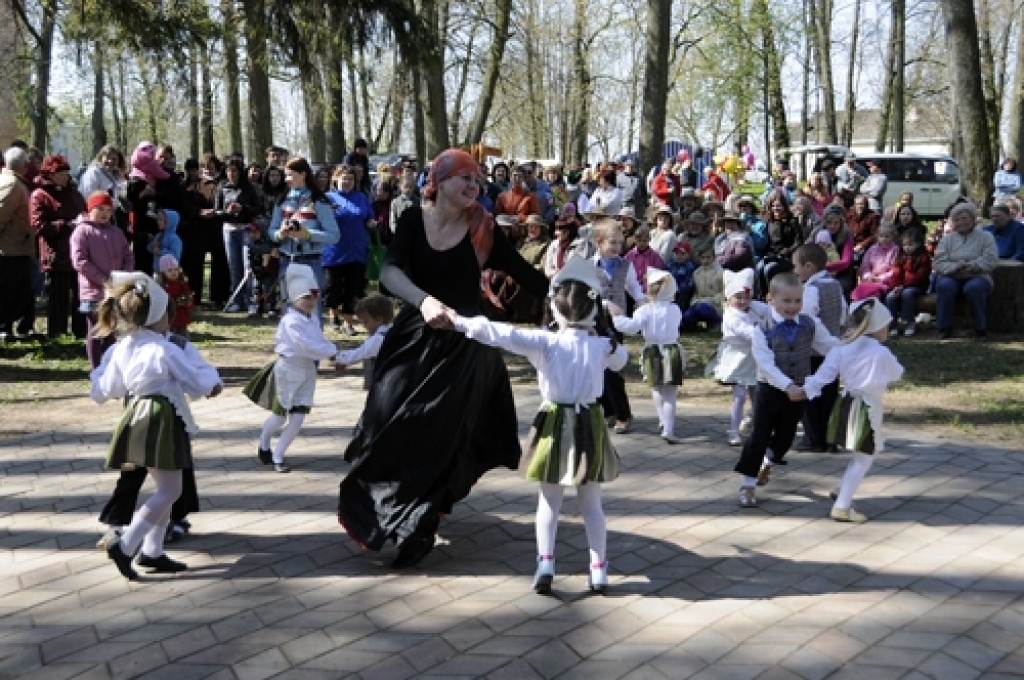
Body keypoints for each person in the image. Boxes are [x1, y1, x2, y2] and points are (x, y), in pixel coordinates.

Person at [337, 149, 550, 569]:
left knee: (438, 436)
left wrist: (581, 296)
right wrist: (424, 301)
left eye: (477, 180)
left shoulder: (483, 228)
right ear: (440, 181)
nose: (473, 186)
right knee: (385, 419)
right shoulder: (413, 219)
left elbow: (529, 277)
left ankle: (420, 525)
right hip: (414, 336)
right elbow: (390, 272)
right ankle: (384, 507)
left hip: (465, 345)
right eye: (464, 178)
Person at [449, 256, 626, 593]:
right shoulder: (602, 346)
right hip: (588, 424)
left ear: (555, 307)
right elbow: (621, 360)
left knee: (549, 502)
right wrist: (603, 330)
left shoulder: (546, 343)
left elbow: (500, 333)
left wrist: (459, 321)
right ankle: (599, 568)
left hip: (554, 424)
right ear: (592, 309)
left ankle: (546, 562)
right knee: (592, 505)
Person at [91, 271, 223, 579]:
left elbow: (105, 389)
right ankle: (126, 545)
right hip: (162, 417)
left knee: (166, 487)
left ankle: (152, 550)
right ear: (158, 316)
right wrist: (213, 384)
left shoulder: (122, 347)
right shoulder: (165, 349)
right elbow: (195, 381)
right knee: (170, 489)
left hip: (135, 414)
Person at [733, 272, 839, 508]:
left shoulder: (810, 323)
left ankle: (767, 462)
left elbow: (829, 346)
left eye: (797, 301)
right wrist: (787, 386)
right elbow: (766, 365)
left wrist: (851, 347)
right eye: (787, 301)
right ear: (770, 299)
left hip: (798, 390)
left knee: (786, 437)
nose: (793, 306)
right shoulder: (761, 328)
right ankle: (748, 484)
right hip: (769, 389)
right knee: (759, 435)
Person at [803, 298, 904, 522]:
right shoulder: (881, 353)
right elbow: (897, 373)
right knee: (865, 456)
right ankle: (842, 505)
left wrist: (805, 390)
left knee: (861, 453)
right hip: (867, 407)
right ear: (877, 327)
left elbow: (823, 375)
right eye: (886, 325)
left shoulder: (842, 348)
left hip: (846, 404)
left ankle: (843, 490)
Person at [244, 265, 339, 473]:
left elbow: (318, 340)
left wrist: (333, 351)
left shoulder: (313, 318)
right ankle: (264, 442)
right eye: (306, 298)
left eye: (314, 297)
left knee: (298, 418)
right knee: (279, 417)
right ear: (294, 298)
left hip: (307, 370)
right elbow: (305, 345)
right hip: (288, 370)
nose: (311, 302)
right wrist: (332, 352)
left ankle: (278, 455)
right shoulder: (290, 321)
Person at [610, 268, 683, 443]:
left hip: (652, 351)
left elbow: (630, 327)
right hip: (671, 350)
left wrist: (615, 317)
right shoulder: (675, 309)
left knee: (656, 388)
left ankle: (663, 420)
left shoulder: (645, 311)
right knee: (670, 393)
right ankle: (669, 427)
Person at [268, 157, 341, 318]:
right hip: (286, 260)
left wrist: (308, 234)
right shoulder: (282, 200)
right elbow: (271, 231)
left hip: (311, 262)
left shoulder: (318, 200)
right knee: (288, 310)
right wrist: (280, 234)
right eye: (285, 175)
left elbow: (334, 236)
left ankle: (313, 335)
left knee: (311, 310)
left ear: (303, 174)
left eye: (290, 175)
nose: (286, 179)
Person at [791, 243, 846, 454]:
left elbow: (807, 318)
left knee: (811, 394)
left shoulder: (811, 289)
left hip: (813, 351)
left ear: (809, 266)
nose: (794, 271)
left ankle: (813, 438)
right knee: (829, 394)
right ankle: (829, 438)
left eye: (796, 266)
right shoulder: (834, 285)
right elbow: (843, 313)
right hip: (833, 350)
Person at [706, 268, 771, 446]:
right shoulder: (731, 315)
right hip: (737, 357)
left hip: (754, 356)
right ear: (728, 297)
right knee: (740, 395)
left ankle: (755, 424)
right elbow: (748, 331)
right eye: (738, 297)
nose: (743, 301)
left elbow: (770, 311)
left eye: (747, 297)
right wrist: (767, 333)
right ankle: (734, 431)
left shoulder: (753, 307)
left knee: (757, 393)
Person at [70, 193, 135, 367]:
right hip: (93, 291)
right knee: (96, 330)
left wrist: (124, 276)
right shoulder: (82, 231)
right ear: (90, 210)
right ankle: (96, 368)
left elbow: (128, 256)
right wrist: (102, 280)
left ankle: (110, 367)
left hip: (115, 290)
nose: (105, 214)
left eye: (108, 210)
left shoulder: (116, 232)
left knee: (111, 330)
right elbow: (80, 261)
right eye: (100, 209)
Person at [591, 220, 642, 433]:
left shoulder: (625, 265)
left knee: (613, 366)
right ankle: (608, 410)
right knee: (597, 367)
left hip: (616, 323)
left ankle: (623, 413)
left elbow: (633, 285)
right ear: (599, 242)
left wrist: (640, 299)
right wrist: (604, 304)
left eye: (620, 243)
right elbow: (587, 294)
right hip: (595, 322)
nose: (617, 247)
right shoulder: (589, 265)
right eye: (612, 242)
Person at [30, 154, 88, 339]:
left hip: (77, 251)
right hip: (55, 253)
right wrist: (64, 225)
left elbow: (84, 211)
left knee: (79, 293)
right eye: (59, 174)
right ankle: (57, 332)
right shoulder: (40, 195)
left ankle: (80, 330)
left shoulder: (74, 194)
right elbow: (38, 225)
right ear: (50, 174)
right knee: (58, 296)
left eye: (65, 173)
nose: (63, 177)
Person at [933, 202, 999, 340]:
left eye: (964, 218)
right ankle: (944, 327)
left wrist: (972, 265)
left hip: (978, 275)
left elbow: (991, 259)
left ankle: (980, 328)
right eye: (957, 220)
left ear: (973, 219)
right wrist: (955, 266)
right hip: (952, 275)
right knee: (944, 286)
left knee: (974, 288)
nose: (961, 222)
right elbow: (938, 263)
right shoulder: (947, 240)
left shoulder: (986, 237)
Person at [203, 158, 262, 313]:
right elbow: (217, 211)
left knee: (248, 265)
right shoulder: (222, 187)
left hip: (246, 229)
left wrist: (243, 208)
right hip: (229, 230)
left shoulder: (248, 187)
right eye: (229, 171)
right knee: (234, 267)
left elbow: (258, 208)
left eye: (235, 171)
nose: (232, 174)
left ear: (240, 172)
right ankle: (237, 300)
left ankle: (251, 301)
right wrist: (226, 211)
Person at [323, 165, 373, 334]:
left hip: (356, 250)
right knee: (333, 287)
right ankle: (333, 315)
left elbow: (369, 215)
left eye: (350, 179)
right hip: (334, 251)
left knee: (353, 288)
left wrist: (371, 222)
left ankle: (348, 322)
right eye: (344, 178)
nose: (347, 182)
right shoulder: (328, 198)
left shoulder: (361, 197)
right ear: (336, 179)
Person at [0, 147, 34, 342]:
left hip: (17, 246)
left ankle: (22, 326)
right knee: (8, 290)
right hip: (10, 248)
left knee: (20, 290)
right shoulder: (12, 184)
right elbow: (1, 214)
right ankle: (3, 328)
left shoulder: (12, 181)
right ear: (24, 165)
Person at [334, 295, 394, 390]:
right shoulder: (391, 333)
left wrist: (339, 358)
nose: (364, 326)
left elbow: (361, 353)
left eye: (366, 322)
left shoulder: (378, 339)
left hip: (380, 384)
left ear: (379, 319)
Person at [885, 229, 931, 336]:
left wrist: (903, 286)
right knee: (890, 297)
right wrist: (895, 286)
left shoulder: (923, 257)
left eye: (910, 245)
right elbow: (896, 273)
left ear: (918, 244)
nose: (907, 248)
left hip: (918, 286)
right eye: (905, 245)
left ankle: (908, 322)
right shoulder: (901, 256)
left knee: (907, 294)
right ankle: (892, 323)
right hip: (901, 286)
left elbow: (920, 276)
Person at [680, 247, 724, 330]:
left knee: (701, 308)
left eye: (708, 257)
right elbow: (696, 293)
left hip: (716, 306)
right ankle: (701, 326)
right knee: (687, 316)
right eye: (703, 258)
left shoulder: (720, 272)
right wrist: (694, 302)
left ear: (714, 258)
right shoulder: (696, 273)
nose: (705, 260)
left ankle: (719, 322)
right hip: (700, 303)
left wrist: (710, 301)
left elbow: (724, 292)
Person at [156, 254, 195, 337]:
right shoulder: (161, 287)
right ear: (163, 272)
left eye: (176, 269)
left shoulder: (182, 284)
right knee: (169, 337)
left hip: (181, 317)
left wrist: (188, 301)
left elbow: (189, 296)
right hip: (168, 318)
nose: (174, 272)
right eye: (170, 270)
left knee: (183, 337)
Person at [624, 226, 665, 293]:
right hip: (630, 291)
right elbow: (624, 274)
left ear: (649, 240)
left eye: (644, 241)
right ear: (635, 240)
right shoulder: (629, 256)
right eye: (639, 240)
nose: (642, 243)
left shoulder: (655, 257)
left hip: (648, 291)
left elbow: (659, 275)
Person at [667, 241, 696, 311]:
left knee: (683, 297)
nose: (679, 256)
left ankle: (680, 313)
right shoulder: (670, 264)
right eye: (677, 253)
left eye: (682, 254)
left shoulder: (689, 266)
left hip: (682, 292)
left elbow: (688, 284)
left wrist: (676, 290)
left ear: (688, 255)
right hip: (671, 291)